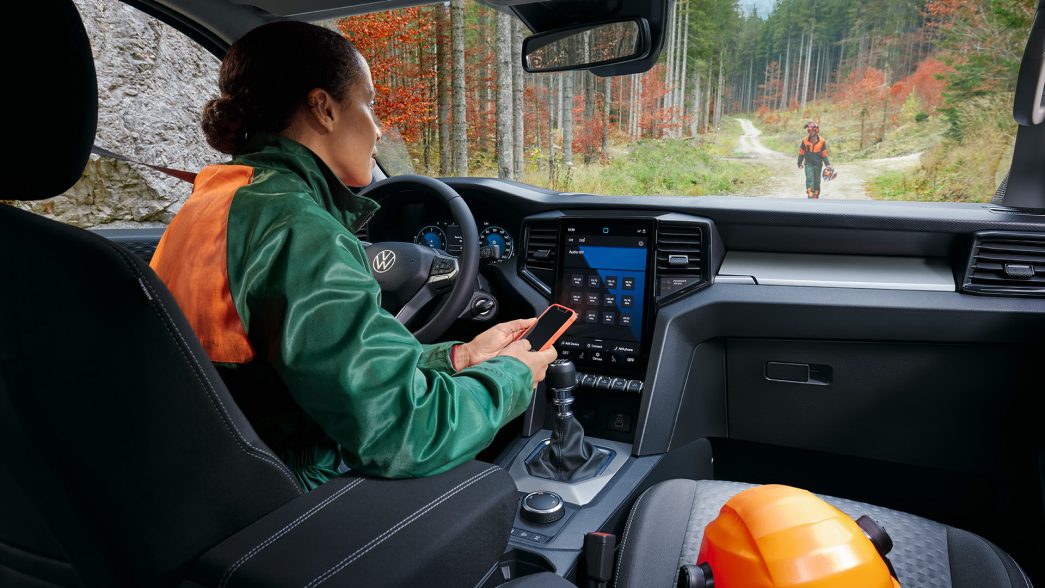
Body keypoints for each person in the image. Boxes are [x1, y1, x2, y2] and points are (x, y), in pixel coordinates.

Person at [149, 21, 557, 490]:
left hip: (214, 470)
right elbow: (404, 433)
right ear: (323, 109)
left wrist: (461, 357)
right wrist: (511, 378)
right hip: (285, 489)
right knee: (491, 491)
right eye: (369, 103)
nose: (379, 129)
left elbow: (323, 367)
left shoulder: (218, 199)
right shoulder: (298, 229)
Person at [797, 121, 832, 199]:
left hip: (818, 164)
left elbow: (824, 155)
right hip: (808, 164)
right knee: (809, 179)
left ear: (816, 130)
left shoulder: (822, 141)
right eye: (809, 130)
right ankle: (810, 193)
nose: (810, 132)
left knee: (817, 181)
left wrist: (828, 165)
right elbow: (801, 152)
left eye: (812, 130)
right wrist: (799, 162)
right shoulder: (805, 141)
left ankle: (816, 194)